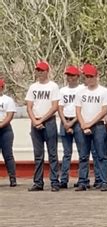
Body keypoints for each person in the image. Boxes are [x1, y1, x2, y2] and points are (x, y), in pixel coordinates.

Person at [25, 60, 61, 192]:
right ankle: (38, 182)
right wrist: (35, 120)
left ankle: (54, 182)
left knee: (52, 153)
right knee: (38, 154)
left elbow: (55, 107)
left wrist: (42, 120)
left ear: (47, 71)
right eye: (38, 70)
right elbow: (29, 106)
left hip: (49, 121)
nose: (39, 73)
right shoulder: (33, 87)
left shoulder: (53, 86)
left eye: (42, 70)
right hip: (35, 121)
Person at [75, 64, 107, 191]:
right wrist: (83, 124)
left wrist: (90, 123)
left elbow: (104, 110)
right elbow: (78, 110)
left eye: (91, 76)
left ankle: (104, 180)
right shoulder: (81, 92)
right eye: (87, 76)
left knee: (101, 154)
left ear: (97, 76)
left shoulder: (103, 91)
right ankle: (83, 181)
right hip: (83, 125)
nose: (89, 79)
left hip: (99, 126)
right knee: (83, 156)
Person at [57, 65, 83, 189]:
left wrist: (72, 122)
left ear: (77, 76)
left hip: (77, 120)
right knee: (67, 153)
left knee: (82, 152)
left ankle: (82, 179)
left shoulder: (82, 89)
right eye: (68, 75)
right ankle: (63, 179)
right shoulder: (62, 91)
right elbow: (60, 108)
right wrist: (65, 122)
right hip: (65, 120)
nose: (70, 78)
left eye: (73, 75)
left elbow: (82, 109)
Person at [0, 79, 17, 187]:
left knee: (8, 155)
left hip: (5, 129)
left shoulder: (7, 100)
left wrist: (1, 125)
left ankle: (12, 178)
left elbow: (10, 115)